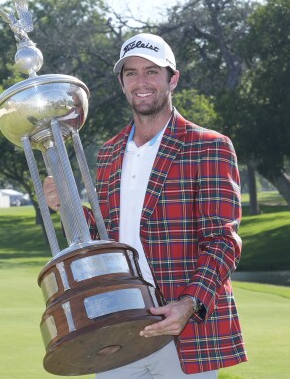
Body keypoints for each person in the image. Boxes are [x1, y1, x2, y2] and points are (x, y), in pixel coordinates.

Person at [43, 33, 247, 378]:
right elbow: (104, 239)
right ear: (122, 83)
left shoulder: (209, 146)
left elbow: (223, 241)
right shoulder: (109, 153)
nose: (141, 82)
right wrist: (67, 206)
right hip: (117, 323)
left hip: (182, 327)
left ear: (173, 79)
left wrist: (189, 303)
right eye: (131, 73)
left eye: (152, 71)